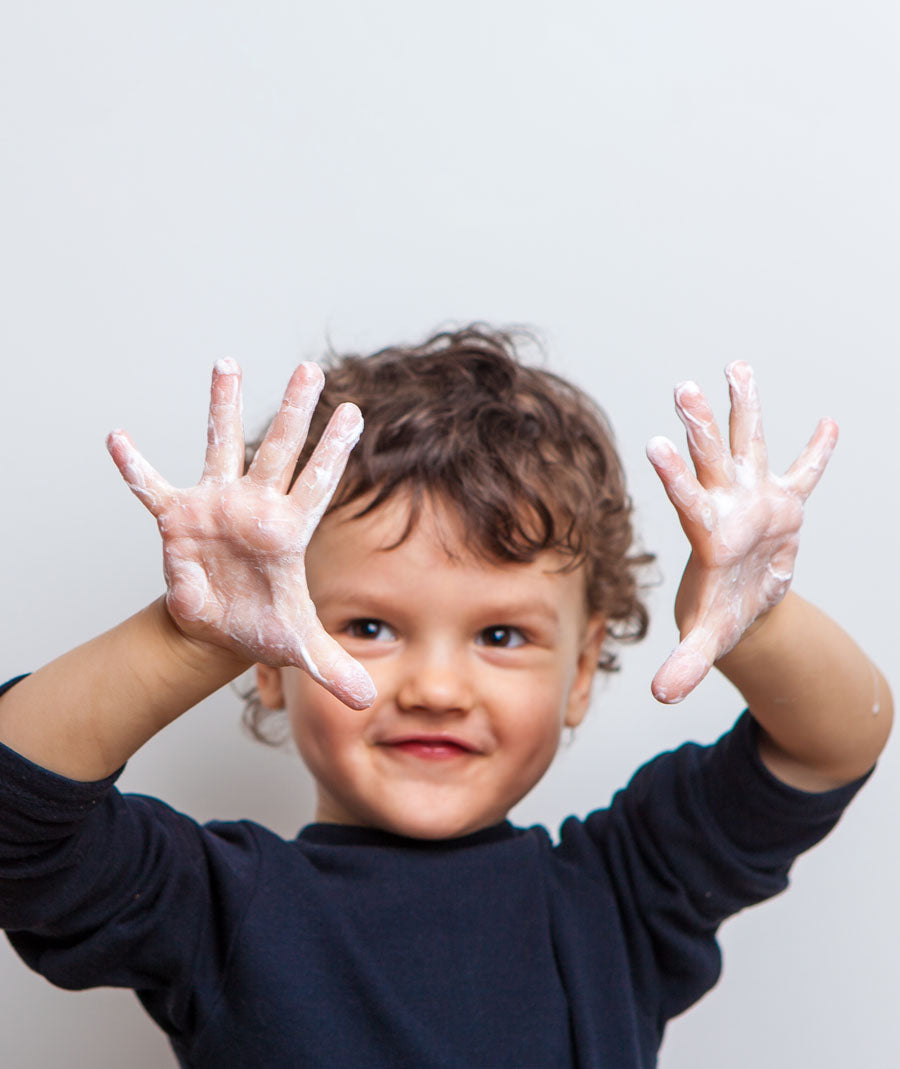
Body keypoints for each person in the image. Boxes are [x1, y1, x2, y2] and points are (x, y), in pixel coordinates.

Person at [0, 327, 890, 1067]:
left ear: (579, 677)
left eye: (501, 636)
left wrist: (756, 622)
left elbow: (834, 742)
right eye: (370, 627)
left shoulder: (622, 896)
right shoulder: (219, 905)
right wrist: (188, 640)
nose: (433, 688)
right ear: (268, 662)